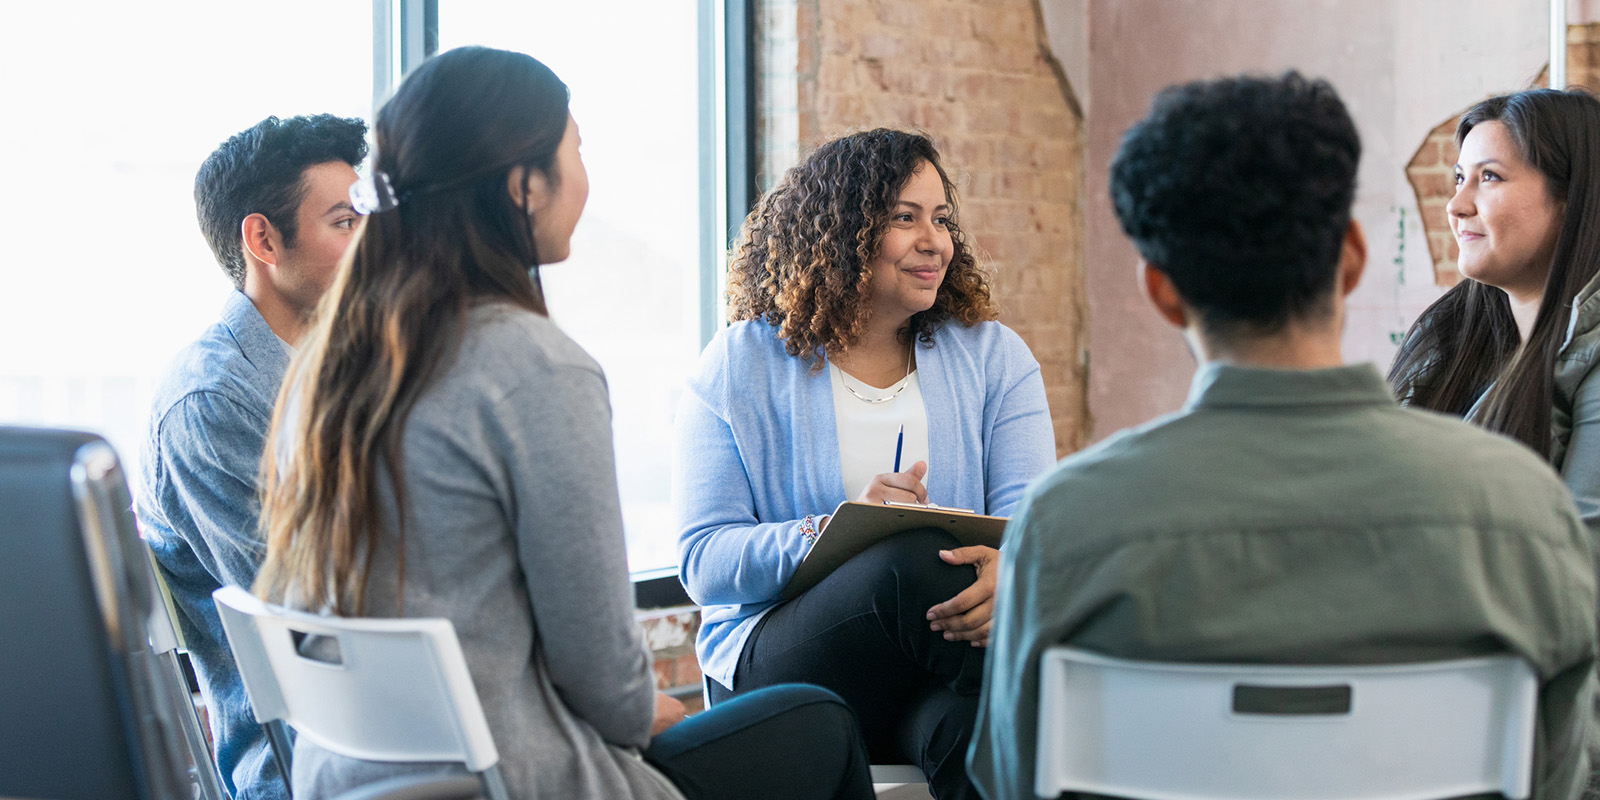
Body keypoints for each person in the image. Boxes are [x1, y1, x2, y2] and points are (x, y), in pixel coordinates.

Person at [253, 46, 874, 800]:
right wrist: (648, 706)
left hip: (351, 781)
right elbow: (607, 684)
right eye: (575, 149)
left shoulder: (327, 370)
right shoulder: (536, 369)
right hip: (519, 781)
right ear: (525, 186)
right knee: (819, 719)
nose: (585, 176)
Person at [969, 73, 1599, 800]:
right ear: (1354, 258)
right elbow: (1560, 773)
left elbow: (1012, 781)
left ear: (1160, 289)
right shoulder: (1525, 510)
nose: (1462, 201)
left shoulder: (1063, 523)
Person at [675, 128, 1057, 799]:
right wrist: (839, 530)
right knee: (913, 560)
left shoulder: (996, 359)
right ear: (841, 231)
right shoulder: (739, 365)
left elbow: (1032, 526)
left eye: (941, 219)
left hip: (935, 671)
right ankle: (1090, 698)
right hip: (786, 669)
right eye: (904, 218)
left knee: (972, 728)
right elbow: (705, 562)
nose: (933, 239)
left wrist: (1015, 574)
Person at [135, 112, 367, 800]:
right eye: (344, 223)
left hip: (396, 733)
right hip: (308, 767)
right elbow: (313, 617)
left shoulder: (340, 368)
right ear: (263, 238)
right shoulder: (212, 402)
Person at [1389, 88, 1600, 533]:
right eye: (1459, 177)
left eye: (1490, 178)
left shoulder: (1591, 361)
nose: (1456, 205)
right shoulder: (1453, 339)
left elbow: (1582, 570)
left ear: (1571, 201)